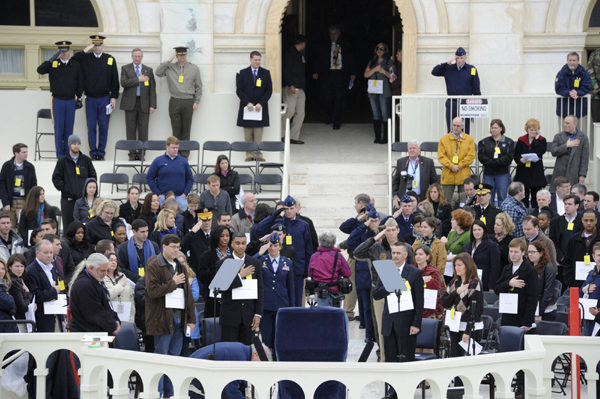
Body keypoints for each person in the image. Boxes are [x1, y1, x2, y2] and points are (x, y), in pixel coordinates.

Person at [354, 218, 415, 362]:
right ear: (384, 231)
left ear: (398, 230)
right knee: (382, 326)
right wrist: (374, 238)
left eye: (394, 230)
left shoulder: (407, 247)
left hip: (401, 290)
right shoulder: (376, 247)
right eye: (388, 230)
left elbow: (411, 267)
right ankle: (384, 356)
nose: (391, 233)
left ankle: (400, 354)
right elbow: (356, 253)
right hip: (380, 289)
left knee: (401, 324)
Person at [145, 234, 196, 398]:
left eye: (178, 247)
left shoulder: (180, 265)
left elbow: (188, 294)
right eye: (173, 247)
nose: (176, 250)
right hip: (162, 318)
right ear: (164, 247)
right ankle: (158, 393)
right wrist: (173, 283)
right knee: (161, 356)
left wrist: (191, 319)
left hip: (180, 318)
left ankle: (170, 393)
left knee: (175, 358)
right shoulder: (154, 265)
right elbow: (152, 292)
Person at [253, 195, 313, 307]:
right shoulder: (278, 222)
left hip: (298, 268)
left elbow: (308, 248)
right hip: (278, 266)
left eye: (291, 208)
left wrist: (307, 268)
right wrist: (274, 214)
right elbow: (259, 229)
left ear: (296, 208)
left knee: (297, 300)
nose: (289, 211)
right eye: (286, 209)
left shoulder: (304, 225)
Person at [373, 242, 424, 373]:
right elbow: (376, 294)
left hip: (407, 324)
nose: (395, 256)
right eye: (393, 253)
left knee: (406, 359)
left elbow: (419, 302)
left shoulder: (414, 273)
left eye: (398, 253)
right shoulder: (386, 271)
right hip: (389, 322)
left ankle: (406, 390)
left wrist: (416, 324)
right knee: (391, 361)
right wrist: (391, 285)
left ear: (405, 255)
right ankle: (392, 391)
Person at [71, 35, 119, 161]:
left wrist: (114, 97)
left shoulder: (109, 59)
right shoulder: (85, 58)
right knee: (91, 126)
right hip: (90, 98)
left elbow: (115, 79)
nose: (97, 47)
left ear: (103, 45)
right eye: (95, 45)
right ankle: (93, 152)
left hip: (104, 98)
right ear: (92, 45)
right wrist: (86, 50)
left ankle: (101, 152)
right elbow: (73, 59)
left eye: (99, 44)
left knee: (103, 126)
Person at [36, 41, 83, 158]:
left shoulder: (75, 65)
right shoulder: (53, 64)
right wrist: (52, 58)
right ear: (59, 52)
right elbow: (40, 70)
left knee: (69, 128)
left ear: (69, 51)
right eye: (62, 51)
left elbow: (80, 82)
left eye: (66, 50)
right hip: (57, 99)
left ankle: (68, 154)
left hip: (71, 100)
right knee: (59, 128)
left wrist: (78, 96)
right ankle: (60, 155)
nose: (64, 53)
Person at [155, 47, 202, 158]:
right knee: (175, 129)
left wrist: (197, 101)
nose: (182, 57)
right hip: (175, 100)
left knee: (186, 128)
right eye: (179, 55)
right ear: (176, 55)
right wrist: (168, 62)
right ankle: (175, 153)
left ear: (186, 55)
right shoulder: (170, 67)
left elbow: (198, 87)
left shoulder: (194, 68)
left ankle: (185, 154)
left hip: (188, 100)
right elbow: (158, 72)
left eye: (184, 55)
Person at [217, 233, 263, 344]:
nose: (240, 246)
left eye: (243, 243)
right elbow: (220, 287)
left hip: (248, 316)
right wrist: (239, 276)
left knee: (247, 350)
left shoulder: (254, 262)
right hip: (230, 316)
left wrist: (258, 314)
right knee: (229, 351)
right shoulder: (224, 262)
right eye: (237, 243)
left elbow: (260, 289)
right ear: (232, 244)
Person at [312, 26, 356, 130]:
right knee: (327, 97)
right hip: (328, 74)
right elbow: (320, 59)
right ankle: (328, 115)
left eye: (335, 34)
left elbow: (351, 59)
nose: (333, 36)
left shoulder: (345, 45)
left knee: (339, 98)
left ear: (339, 34)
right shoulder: (325, 46)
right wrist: (316, 71)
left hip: (341, 74)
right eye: (331, 34)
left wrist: (353, 73)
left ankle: (337, 121)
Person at [441, 253, 484, 357]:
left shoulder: (475, 284)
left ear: (468, 265)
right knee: (455, 356)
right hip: (454, 325)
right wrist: (456, 292)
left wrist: (468, 331)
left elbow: (476, 310)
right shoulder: (454, 282)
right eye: (455, 265)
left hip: (470, 327)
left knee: (468, 359)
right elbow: (445, 302)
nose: (456, 268)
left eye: (460, 265)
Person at [346, 207, 379, 339]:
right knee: (366, 305)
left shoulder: (382, 233)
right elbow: (350, 241)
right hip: (364, 271)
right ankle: (369, 333)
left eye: (376, 220)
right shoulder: (362, 233)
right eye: (371, 221)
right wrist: (363, 225)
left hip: (380, 271)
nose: (374, 223)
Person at [257, 232, 294, 352]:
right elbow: (249, 262)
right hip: (266, 304)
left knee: (280, 336)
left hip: (281, 303)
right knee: (266, 337)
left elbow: (290, 287)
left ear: (280, 246)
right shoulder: (261, 260)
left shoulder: (287, 263)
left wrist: (292, 308)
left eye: (276, 245)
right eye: (271, 245)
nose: (273, 248)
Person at [431, 47, 481, 134]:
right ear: (455, 58)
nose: (459, 60)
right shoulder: (449, 68)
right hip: (452, 102)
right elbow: (434, 72)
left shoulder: (471, 69)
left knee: (465, 128)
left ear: (465, 58)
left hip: (466, 103)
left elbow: (476, 88)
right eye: (457, 58)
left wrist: (478, 103)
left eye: (461, 58)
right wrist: (446, 63)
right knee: (452, 128)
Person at [52, 134, 97, 230]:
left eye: (78, 144)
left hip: (83, 200)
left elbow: (93, 177)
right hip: (68, 200)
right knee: (68, 226)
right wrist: (66, 189)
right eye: (74, 144)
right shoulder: (62, 161)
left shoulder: (86, 160)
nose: (76, 146)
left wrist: (88, 191)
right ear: (69, 145)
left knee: (84, 226)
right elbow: (56, 178)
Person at [120, 48, 157, 160]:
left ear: (142, 57)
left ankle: (141, 153)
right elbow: (123, 83)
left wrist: (152, 105)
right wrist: (138, 79)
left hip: (144, 103)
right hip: (130, 103)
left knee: (143, 129)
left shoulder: (148, 70)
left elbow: (152, 89)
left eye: (139, 56)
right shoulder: (125, 68)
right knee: (130, 129)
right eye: (135, 56)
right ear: (132, 56)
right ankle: (131, 154)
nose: (137, 58)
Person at [494, 239, 539, 331]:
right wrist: (509, 283)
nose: (512, 254)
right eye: (511, 251)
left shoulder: (530, 271)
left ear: (523, 252)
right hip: (507, 314)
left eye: (516, 252)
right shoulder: (507, 268)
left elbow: (533, 299)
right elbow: (497, 289)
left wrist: (527, 322)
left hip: (522, 316)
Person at [70, 253, 120, 334]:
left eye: (107, 270)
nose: (105, 274)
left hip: (96, 333)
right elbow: (96, 314)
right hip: (87, 335)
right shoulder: (84, 286)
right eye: (102, 271)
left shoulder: (96, 282)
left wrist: (116, 321)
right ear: (91, 268)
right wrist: (113, 326)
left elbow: (107, 306)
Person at [236, 51, 272, 161]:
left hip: (259, 108)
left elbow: (269, 90)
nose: (257, 62)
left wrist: (261, 103)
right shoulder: (243, 73)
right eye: (255, 60)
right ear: (250, 59)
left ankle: (258, 154)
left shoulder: (265, 73)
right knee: (248, 134)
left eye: (259, 60)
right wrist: (247, 102)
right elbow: (239, 90)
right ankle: (249, 155)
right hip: (247, 107)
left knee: (258, 133)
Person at [24, 240, 64, 332]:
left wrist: (61, 317)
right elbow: (35, 295)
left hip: (56, 315)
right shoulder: (31, 271)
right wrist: (54, 291)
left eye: (51, 252)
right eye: (45, 252)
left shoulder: (52, 267)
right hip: (42, 319)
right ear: (37, 253)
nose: (49, 255)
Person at [146, 136, 194, 212]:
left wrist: (184, 194)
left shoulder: (183, 161)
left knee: (181, 220)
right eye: (173, 147)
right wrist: (158, 194)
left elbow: (190, 179)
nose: (175, 150)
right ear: (167, 146)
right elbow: (149, 178)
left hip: (180, 197)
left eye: (177, 147)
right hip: (163, 197)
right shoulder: (158, 161)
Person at [438, 117, 476, 206]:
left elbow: (471, 156)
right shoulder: (443, 140)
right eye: (454, 125)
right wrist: (451, 166)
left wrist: (460, 165)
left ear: (462, 126)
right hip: (448, 174)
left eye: (458, 126)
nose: (455, 128)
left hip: (463, 174)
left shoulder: (469, 139)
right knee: (446, 202)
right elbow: (441, 156)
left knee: (464, 203)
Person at [308, 231, 352, 307]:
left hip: (320, 290)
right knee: (335, 315)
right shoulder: (338, 255)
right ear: (334, 242)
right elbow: (348, 273)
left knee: (322, 316)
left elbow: (310, 274)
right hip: (335, 291)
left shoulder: (314, 256)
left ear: (320, 241)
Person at [478, 119, 515, 206]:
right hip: (488, 173)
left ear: (501, 128)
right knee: (488, 197)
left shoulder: (509, 142)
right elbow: (481, 156)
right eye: (492, 128)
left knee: (502, 197)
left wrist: (498, 162)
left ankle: (502, 217)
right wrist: (491, 162)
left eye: (496, 128)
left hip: (502, 173)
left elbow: (509, 156)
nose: (493, 130)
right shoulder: (484, 142)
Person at [364, 42, 395, 144]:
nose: (379, 50)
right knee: (376, 114)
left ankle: (385, 137)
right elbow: (365, 75)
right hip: (373, 91)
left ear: (385, 50)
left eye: (382, 48)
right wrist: (375, 69)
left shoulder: (389, 62)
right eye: (378, 48)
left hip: (384, 91)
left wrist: (383, 71)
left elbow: (393, 76)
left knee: (385, 114)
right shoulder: (372, 62)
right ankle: (377, 137)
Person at [0, 143, 37, 228]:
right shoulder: (7, 166)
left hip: (24, 201)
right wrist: (5, 202)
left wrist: (31, 202)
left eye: (27, 152)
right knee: (9, 226)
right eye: (23, 152)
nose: (26, 154)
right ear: (16, 153)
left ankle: (21, 241)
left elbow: (33, 185)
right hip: (10, 201)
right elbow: (2, 184)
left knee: (22, 226)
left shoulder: (30, 167)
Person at [198, 225, 231, 318]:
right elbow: (202, 277)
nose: (225, 238)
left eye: (227, 236)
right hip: (213, 298)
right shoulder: (206, 256)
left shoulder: (234, 253)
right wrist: (218, 264)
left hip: (231, 296)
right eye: (222, 236)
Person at [562, 209, 600, 288]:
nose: (589, 223)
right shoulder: (574, 239)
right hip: (576, 284)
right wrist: (570, 281)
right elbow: (567, 261)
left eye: (591, 220)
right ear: (582, 220)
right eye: (586, 220)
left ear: (596, 220)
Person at [550, 115, 589, 189]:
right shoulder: (558, 136)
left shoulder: (583, 137)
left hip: (574, 172)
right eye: (564, 123)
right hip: (560, 173)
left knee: (573, 195)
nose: (565, 125)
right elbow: (553, 151)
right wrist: (566, 146)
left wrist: (582, 175)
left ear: (575, 124)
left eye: (568, 123)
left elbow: (585, 158)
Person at [282, 35, 307, 145]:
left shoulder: (298, 54)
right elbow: (286, 70)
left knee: (300, 113)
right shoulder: (290, 54)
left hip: (300, 88)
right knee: (289, 111)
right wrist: (290, 84)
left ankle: (293, 136)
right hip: (291, 88)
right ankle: (281, 135)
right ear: (303, 44)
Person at [463, 220, 501, 291]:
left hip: (484, 282)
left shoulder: (491, 245)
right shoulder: (468, 246)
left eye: (479, 229)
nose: (477, 232)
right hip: (468, 281)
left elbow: (495, 268)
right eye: (474, 230)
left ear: (484, 231)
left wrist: (491, 287)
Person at [118, 219, 159, 283]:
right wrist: (139, 279)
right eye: (142, 232)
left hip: (152, 282)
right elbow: (121, 268)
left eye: (147, 231)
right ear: (134, 231)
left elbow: (158, 265)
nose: (145, 234)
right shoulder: (124, 247)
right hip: (131, 282)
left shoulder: (154, 246)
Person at [555, 52, 592, 118]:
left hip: (580, 110)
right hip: (564, 109)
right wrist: (569, 93)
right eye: (570, 60)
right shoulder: (561, 73)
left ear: (578, 61)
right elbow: (559, 88)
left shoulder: (584, 73)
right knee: (564, 128)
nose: (572, 62)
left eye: (574, 60)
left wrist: (577, 93)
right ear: (567, 61)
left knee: (581, 128)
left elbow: (587, 87)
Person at [414, 245, 446, 321]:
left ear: (428, 256)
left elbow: (439, 291)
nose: (417, 256)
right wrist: (420, 280)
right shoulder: (410, 270)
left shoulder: (434, 272)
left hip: (430, 308)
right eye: (416, 254)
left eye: (421, 254)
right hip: (413, 306)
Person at [528, 241, 557, 322]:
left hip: (546, 310)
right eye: (529, 252)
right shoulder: (529, 267)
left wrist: (538, 313)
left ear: (541, 253)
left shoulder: (549, 267)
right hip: (532, 309)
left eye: (533, 252)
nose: (530, 254)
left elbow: (548, 293)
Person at [550, 194, 582, 265]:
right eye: (565, 204)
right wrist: (560, 257)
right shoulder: (555, 221)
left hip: (577, 260)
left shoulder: (582, 221)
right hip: (560, 261)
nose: (566, 206)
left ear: (577, 206)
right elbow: (552, 241)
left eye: (570, 204)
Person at [103, 252, 135, 324]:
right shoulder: (102, 278)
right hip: (111, 318)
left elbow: (131, 297)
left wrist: (131, 318)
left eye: (115, 260)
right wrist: (119, 286)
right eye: (111, 260)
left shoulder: (122, 276)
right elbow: (107, 296)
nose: (114, 262)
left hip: (126, 317)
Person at [181, 209, 212, 276]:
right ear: (198, 221)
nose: (207, 223)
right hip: (197, 272)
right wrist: (191, 233)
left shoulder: (215, 234)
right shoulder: (193, 236)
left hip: (212, 272)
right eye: (204, 220)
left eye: (209, 220)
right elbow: (182, 249)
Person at [7, 254, 32, 333]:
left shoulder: (19, 280)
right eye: (17, 266)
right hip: (18, 321)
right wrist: (28, 293)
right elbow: (22, 307)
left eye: (22, 266)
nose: (20, 269)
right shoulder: (14, 282)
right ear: (10, 267)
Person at [580, 242, 600, 336]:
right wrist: (584, 289)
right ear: (593, 256)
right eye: (598, 255)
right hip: (588, 319)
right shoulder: (591, 273)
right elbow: (580, 293)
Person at [0, 258, 17, 333]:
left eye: (3, 268)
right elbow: (10, 304)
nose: (1, 271)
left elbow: (13, 309)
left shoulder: (4, 285)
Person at [587, 47, 600, 122]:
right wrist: (597, 90)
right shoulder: (594, 54)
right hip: (596, 96)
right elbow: (590, 73)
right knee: (597, 123)